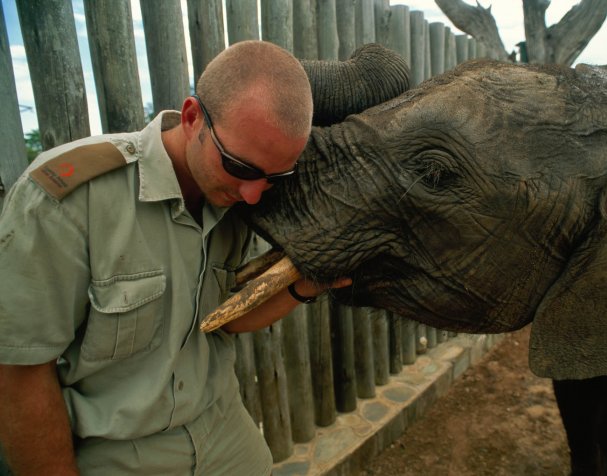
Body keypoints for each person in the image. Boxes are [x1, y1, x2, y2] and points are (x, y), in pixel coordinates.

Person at [0, 40, 349, 475]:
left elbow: (225, 319)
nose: (253, 194)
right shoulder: (68, 200)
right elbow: (20, 374)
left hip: (221, 426)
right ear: (191, 117)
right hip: (113, 450)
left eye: (274, 177)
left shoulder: (237, 193)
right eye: (240, 168)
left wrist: (309, 283)